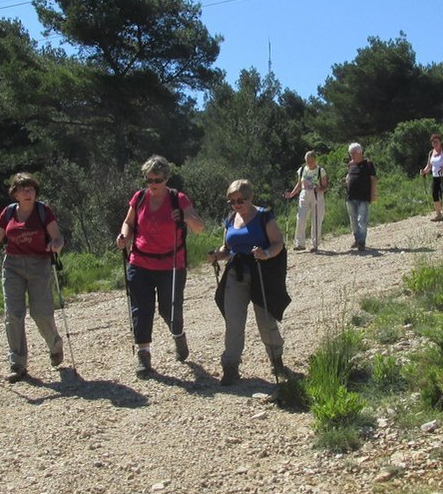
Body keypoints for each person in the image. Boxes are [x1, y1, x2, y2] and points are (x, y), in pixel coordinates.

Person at [0, 172, 65, 383]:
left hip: (39, 265)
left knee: (41, 313)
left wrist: (56, 245)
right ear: (15, 194)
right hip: (12, 266)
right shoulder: (8, 213)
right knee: (13, 315)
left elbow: (57, 236)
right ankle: (17, 364)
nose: (28, 193)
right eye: (23, 189)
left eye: (31, 189)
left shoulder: (43, 211)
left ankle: (55, 345)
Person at [116, 155, 205, 377]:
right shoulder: (139, 198)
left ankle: (178, 335)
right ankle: (144, 357)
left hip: (171, 264)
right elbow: (129, 222)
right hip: (140, 263)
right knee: (141, 310)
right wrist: (124, 236)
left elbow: (199, 228)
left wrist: (184, 216)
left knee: (170, 310)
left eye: (157, 180)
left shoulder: (178, 199)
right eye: (149, 180)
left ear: (166, 178)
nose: (153, 184)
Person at [208, 179, 290, 386]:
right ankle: (230, 367)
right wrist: (218, 255)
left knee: (265, 320)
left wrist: (266, 253)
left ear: (250, 197)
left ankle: (276, 358)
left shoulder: (263, 216)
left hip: (262, 272)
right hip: (236, 272)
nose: (236, 205)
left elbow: (278, 242)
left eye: (240, 200)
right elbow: (227, 248)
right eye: (232, 201)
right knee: (234, 320)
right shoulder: (230, 219)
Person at [283, 151, 328, 252]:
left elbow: (325, 186)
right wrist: (291, 194)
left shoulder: (321, 170)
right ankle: (300, 243)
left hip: (316, 195)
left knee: (316, 219)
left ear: (315, 160)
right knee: (301, 217)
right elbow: (299, 184)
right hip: (304, 194)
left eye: (311, 161)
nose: (309, 163)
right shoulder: (302, 170)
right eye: (307, 161)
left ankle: (315, 244)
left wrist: (320, 189)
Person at [345, 142, 377, 251]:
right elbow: (348, 177)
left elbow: (373, 180)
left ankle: (362, 242)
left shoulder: (368, 164)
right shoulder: (351, 165)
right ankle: (357, 239)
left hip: (363, 196)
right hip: (350, 197)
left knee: (362, 220)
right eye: (350, 153)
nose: (351, 155)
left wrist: (373, 194)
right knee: (353, 220)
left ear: (359, 153)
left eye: (353, 153)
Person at [420, 132, 443, 222]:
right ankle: (439, 214)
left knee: (442, 194)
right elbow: (429, 166)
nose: (434, 144)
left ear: (440, 142)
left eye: (436, 142)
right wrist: (424, 171)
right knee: (434, 194)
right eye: (433, 142)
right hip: (435, 175)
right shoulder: (431, 152)